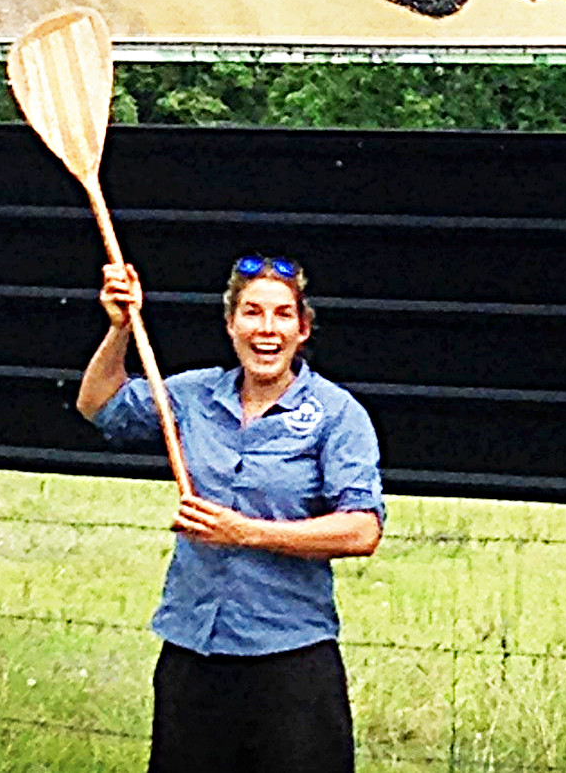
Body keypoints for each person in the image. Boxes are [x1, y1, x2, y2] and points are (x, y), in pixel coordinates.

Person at [77, 253, 383, 773]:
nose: (267, 329)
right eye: (252, 313)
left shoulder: (337, 414)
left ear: (303, 328)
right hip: (193, 655)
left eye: (283, 315)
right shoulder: (192, 395)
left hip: (289, 660)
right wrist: (121, 328)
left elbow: (362, 529)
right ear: (230, 324)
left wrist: (246, 532)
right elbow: (99, 404)